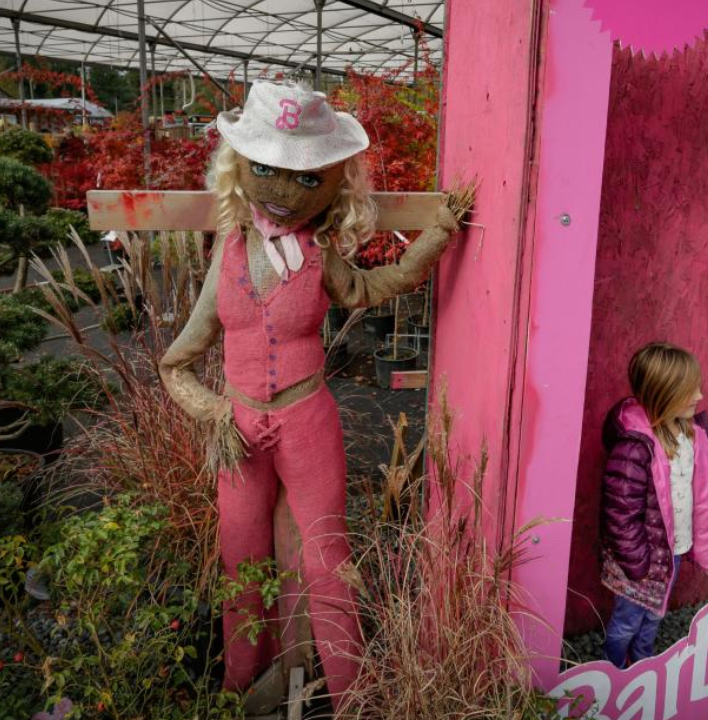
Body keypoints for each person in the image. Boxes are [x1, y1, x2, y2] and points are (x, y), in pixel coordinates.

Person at [158, 82, 466, 706]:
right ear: (240, 165)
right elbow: (177, 363)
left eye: (307, 177)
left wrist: (436, 238)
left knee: (329, 557)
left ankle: (354, 693)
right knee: (239, 560)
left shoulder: (319, 252)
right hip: (239, 430)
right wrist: (214, 412)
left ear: (333, 179)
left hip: (306, 419)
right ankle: (238, 685)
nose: (282, 190)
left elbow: (380, 285)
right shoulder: (230, 252)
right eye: (267, 169)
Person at [599, 343, 708, 669]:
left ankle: (641, 669)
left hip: (673, 552)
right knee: (627, 622)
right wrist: (638, 564)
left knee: (655, 615)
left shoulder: (690, 435)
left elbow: (705, 495)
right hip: (638, 560)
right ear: (664, 394)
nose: (699, 395)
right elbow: (620, 515)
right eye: (689, 391)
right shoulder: (635, 447)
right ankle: (613, 674)